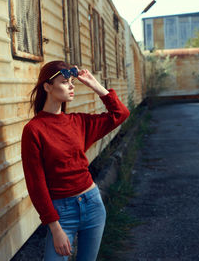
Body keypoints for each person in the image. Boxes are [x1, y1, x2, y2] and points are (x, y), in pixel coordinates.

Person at [21, 60, 130, 261]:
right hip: (62, 213)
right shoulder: (34, 130)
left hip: (93, 204)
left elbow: (120, 114)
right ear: (47, 87)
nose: (71, 86)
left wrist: (94, 84)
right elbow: (36, 184)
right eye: (65, 82)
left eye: (72, 81)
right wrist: (54, 227)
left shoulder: (78, 123)